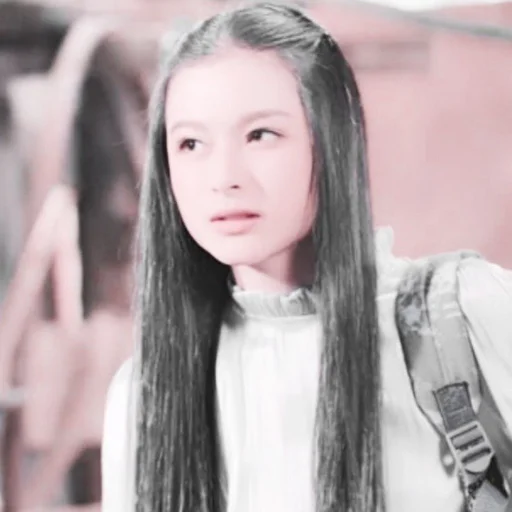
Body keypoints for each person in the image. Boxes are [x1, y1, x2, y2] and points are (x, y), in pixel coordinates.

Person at [101, 3, 512, 512]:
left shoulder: (464, 316)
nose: (223, 177)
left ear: (330, 139)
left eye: (260, 135)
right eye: (190, 143)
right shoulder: (144, 396)